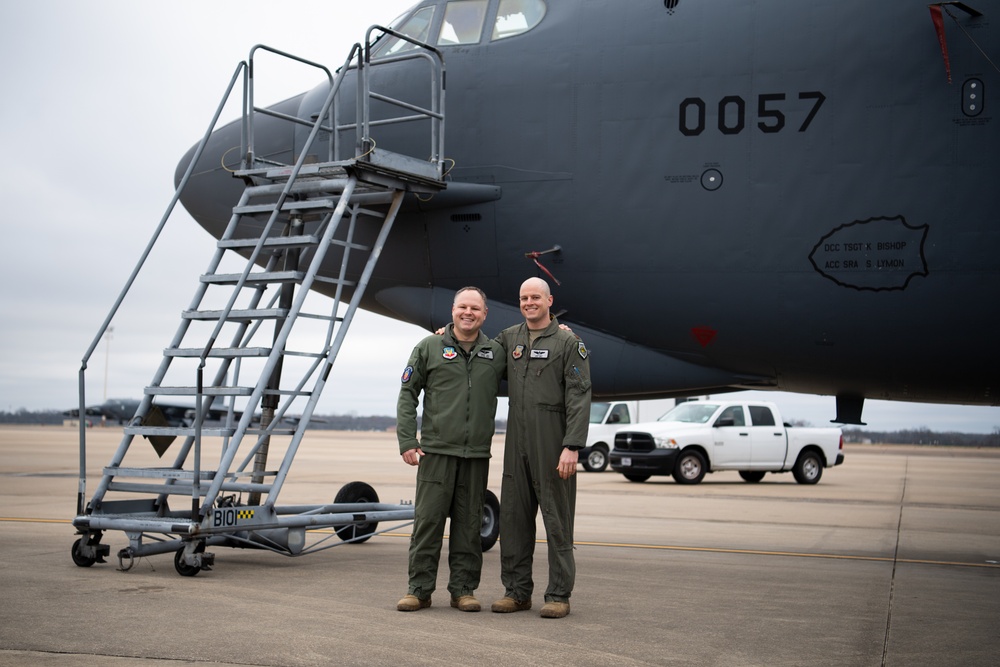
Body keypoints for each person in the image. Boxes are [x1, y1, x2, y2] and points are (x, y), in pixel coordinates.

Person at [395, 286, 506, 613]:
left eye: (475, 308)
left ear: (485, 314)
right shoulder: (429, 346)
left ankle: (463, 590)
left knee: (469, 526)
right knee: (428, 523)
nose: (468, 312)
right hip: (436, 453)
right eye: (462, 307)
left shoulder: (495, 351)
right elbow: (407, 394)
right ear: (453, 311)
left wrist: (562, 332)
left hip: (475, 456)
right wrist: (407, 440)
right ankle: (419, 589)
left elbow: (529, 348)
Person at [491, 277, 592, 619]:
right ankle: (516, 592)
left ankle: (559, 595)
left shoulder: (568, 342)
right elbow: (478, 355)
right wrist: (445, 334)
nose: (529, 302)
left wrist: (572, 445)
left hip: (552, 442)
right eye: (524, 297)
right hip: (516, 441)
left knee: (557, 520)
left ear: (550, 300)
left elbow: (579, 395)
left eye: (536, 296)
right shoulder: (510, 338)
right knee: (514, 518)